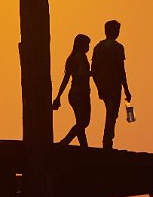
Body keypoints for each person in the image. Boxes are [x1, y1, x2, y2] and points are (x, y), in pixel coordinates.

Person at [91, 20, 132, 149]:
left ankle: (107, 140)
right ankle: (107, 141)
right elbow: (121, 69)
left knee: (110, 112)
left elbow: (94, 70)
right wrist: (126, 89)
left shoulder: (98, 47)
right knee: (112, 113)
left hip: (102, 84)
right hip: (114, 85)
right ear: (114, 31)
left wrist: (98, 87)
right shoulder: (118, 47)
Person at [52, 34, 92, 146]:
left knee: (80, 122)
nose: (88, 46)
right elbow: (82, 73)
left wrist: (58, 96)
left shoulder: (71, 58)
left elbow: (65, 79)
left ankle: (84, 146)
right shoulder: (81, 57)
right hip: (81, 93)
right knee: (84, 122)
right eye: (87, 44)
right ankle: (65, 141)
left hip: (73, 94)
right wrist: (94, 72)